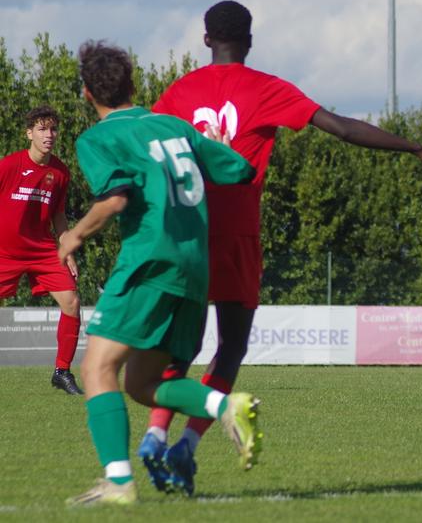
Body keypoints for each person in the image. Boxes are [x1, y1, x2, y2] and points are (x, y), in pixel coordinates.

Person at [139, 0, 422, 495]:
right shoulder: (266, 88)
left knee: (184, 344)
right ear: (251, 40)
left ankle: (155, 433)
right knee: (231, 346)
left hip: (186, 233)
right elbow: (343, 128)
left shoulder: (177, 92)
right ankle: (186, 448)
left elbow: (149, 152)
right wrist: (416, 148)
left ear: (204, 39)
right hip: (237, 232)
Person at [60, 40, 261, 506]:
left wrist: (74, 236)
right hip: (194, 269)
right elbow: (238, 169)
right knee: (143, 384)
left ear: (88, 94)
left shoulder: (97, 139)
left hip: (149, 259)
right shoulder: (175, 127)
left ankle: (118, 482)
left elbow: (115, 199)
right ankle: (226, 406)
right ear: (133, 85)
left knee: (96, 367)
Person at [0, 106, 83, 394]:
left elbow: (58, 215)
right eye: (42, 129)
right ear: (29, 133)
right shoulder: (9, 165)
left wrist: (67, 248)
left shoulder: (60, 172)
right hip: (5, 252)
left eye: (53, 129)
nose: (49, 135)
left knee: (71, 302)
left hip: (43, 251)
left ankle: (62, 372)